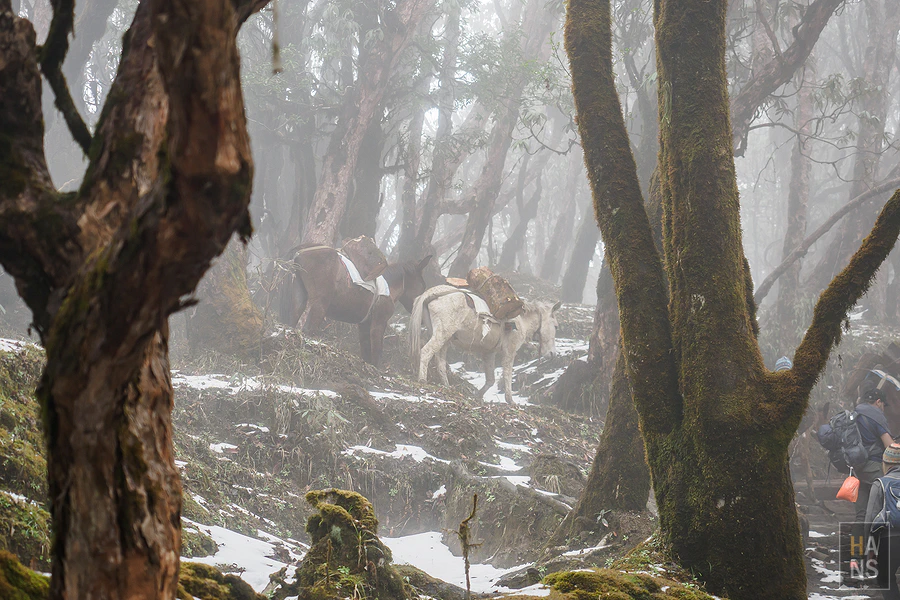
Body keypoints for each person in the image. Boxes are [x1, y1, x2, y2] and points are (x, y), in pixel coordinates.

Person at [854, 377, 896, 555]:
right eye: (883, 405)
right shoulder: (876, 415)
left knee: (861, 513)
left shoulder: (856, 412)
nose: (883, 409)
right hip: (874, 468)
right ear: (878, 402)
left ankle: (856, 553)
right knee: (881, 510)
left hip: (857, 468)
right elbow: (890, 447)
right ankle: (876, 552)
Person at [864, 443, 900, 599]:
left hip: (889, 539)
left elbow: (869, 520)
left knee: (885, 577)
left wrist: (870, 549)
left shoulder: (880, 484)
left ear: (886, 463)